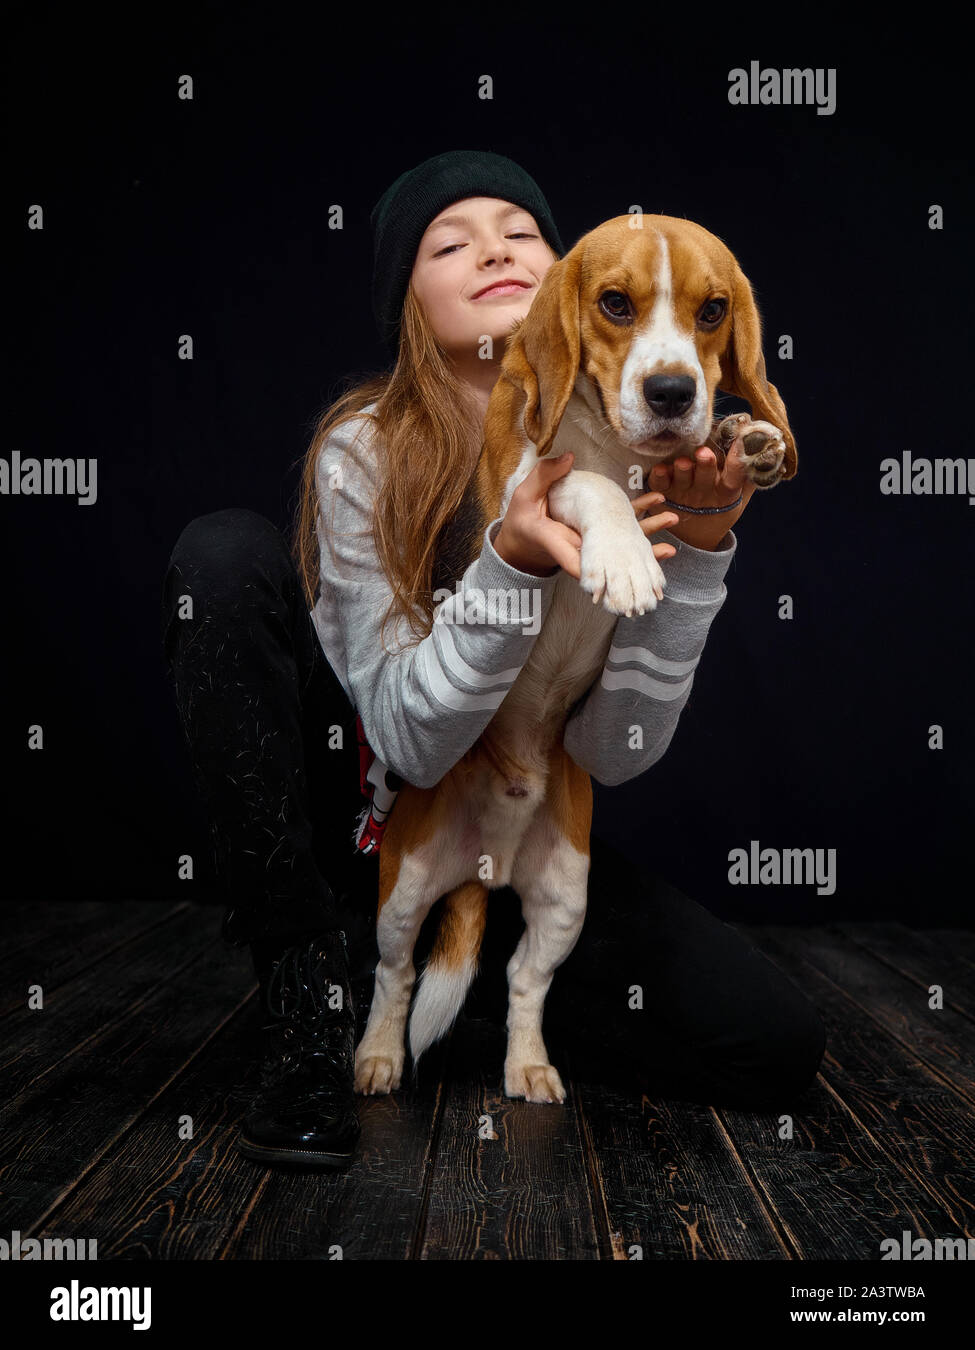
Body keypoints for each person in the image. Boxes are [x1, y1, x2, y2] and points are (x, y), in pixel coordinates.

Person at [161, 150, 826, 1172]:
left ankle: (477, 998)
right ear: (408, 300)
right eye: (450, 240)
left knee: (778, 1042)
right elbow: (412, 744)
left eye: (520, 230)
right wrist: (513, 558)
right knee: (221, 553)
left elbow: (617, 751)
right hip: (385, 822)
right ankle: (307, 989)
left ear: (560, 282)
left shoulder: (650, 453)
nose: (494, 251)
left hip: (527, 821)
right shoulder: (364, 453)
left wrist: (696, 550)